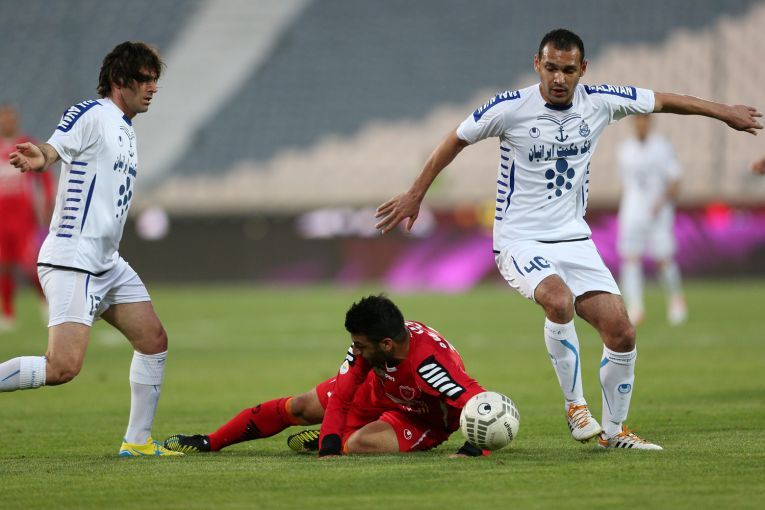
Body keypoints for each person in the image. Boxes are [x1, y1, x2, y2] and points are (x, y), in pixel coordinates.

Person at [374, 28, 762, 450]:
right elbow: (456, 138)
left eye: (568, 70)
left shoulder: (601, 102)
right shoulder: (509, 108)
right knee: (558, 301)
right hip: (520, 240)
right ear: (537, 64)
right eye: (551, 68)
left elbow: (665, 100)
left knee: (621, 331)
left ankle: (615, 433)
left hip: (574, 239)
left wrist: (725, 112)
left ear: (583, 69)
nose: (558, 78)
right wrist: (416, 193)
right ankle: (576, 406)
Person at [0, 41, 182, 457]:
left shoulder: (125, 128)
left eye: (155, 80)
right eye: (144, 80)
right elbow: (55, 147)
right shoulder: (93, 113)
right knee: (61, 368)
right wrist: (41, 156)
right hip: (74, 260)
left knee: (153, 339)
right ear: (119, 80)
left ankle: (137, 442)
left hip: (107, 263)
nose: (152, 88)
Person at [163, 295, 489, 457]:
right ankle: (210, 441)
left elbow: (483, 405)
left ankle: (342, 436)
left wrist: (475, 448)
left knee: (361, 443)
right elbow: (343, 394)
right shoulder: (371, 346)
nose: (355, 350)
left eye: (360, 345)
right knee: (301, 407)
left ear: (386, 344)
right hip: (381, 388)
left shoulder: (429, 367)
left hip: (421, 418)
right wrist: (329, 447)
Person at [616, 114, 686, 326]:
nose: (641, 123)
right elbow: (625, 184)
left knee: (663, 258)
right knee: (630, 258)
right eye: (638, 119)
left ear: (650, 122)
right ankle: (635, 308)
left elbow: (675, 179)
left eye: (645, 119)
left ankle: (676, 299)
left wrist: (664, 201)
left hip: (658, 211)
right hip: (632, 211)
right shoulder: (624, 149)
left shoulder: (662, 147)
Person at [0, 104, 55, 332]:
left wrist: (47, 207)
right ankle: (7, 314)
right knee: (4, 266)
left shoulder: (26, 145)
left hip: (24, 221)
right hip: (1, 222)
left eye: (11, 118)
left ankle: (46, 303)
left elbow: (45, 180)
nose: (7, 122)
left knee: (31, 266)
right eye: (4, 118)